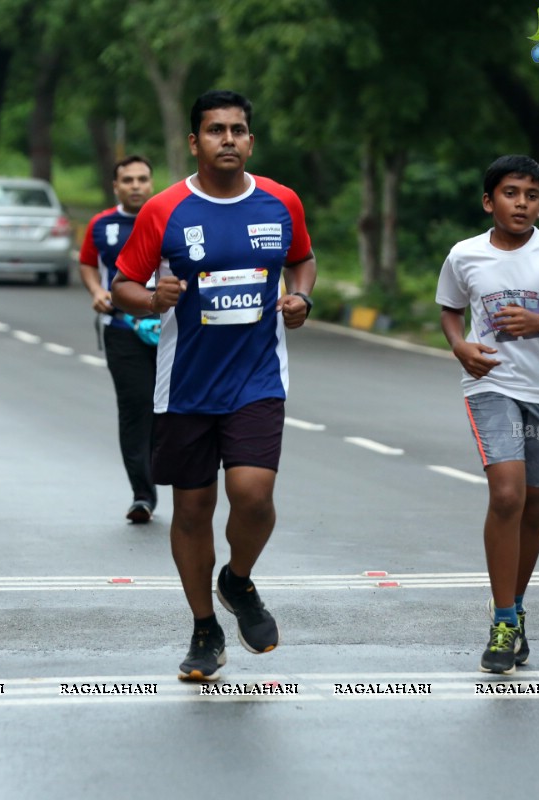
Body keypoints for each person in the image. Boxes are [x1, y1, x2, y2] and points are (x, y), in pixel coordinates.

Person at [111, 90, 317, 681]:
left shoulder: (281, 202)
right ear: (194, 142)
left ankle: (238, 579)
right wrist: (152, 297)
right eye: (215, 130)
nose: (228, 138)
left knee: (253, 496)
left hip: (257, 379)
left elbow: (302, 259)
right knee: (194, 508)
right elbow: (124, 282)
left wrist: (301, 295)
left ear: (251, 140)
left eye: (238, 129)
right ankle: (204, 627)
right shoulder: (165, 210)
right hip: (185, 385)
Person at [434, 154, 539, 676]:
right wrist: (460, 346)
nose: (521, 203)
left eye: (530, 195)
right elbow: (449, 308)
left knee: (533, 504)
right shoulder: (465, 255)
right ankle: (503, 621)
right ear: (489, 201)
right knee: (505, 493)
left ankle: (516, 607)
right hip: (491, 385)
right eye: (510, 193)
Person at [79, 155, 159, 524]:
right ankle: (142, 494)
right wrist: (96, 289)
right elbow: (87, 262)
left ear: (152, 182)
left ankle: (168, 469)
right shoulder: (102, 225)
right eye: (127, 180)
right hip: (122, 329)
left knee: (172, 409)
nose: (136, 186)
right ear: (116, 186)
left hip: (171, 329)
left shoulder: (170, 218)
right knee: (135, 407)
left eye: (142, 179)